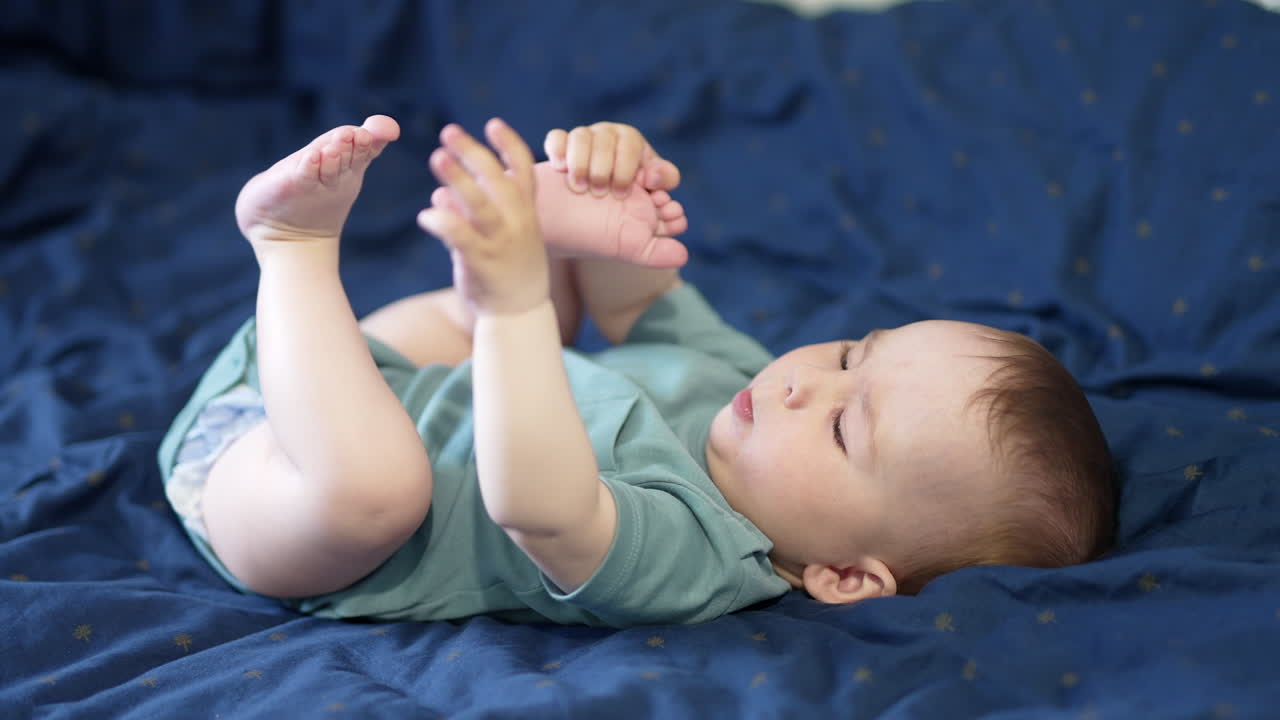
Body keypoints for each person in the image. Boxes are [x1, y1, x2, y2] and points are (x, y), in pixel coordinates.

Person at [157, 115, 1116, 627]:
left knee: (381, 490)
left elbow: (540, 505)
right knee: (563, 307)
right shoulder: (744, 391)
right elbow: (636, 300)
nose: (799, 385)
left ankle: (290, 253)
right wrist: (615, 199)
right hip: (338, 380)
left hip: (272, 495)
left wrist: (518, 305)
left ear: (843, 577)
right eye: (847, 355)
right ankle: (454, 296)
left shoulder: (701, 557)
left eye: (840, 427)